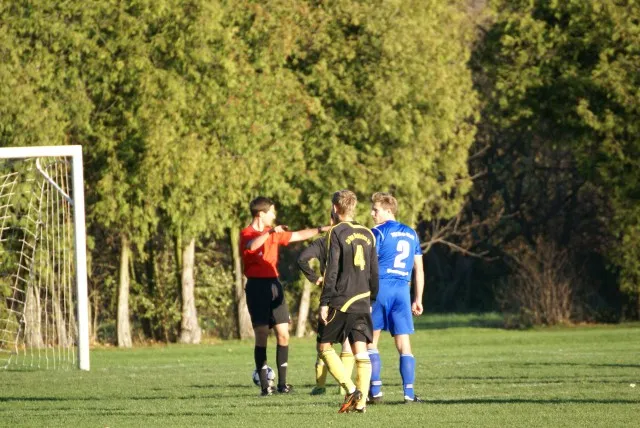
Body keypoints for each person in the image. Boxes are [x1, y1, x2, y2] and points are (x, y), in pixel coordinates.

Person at [240, 196, 327, 396]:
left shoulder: (274, 232)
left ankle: (282, 384)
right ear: (260, 214)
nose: (274, 215)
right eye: (271, 211)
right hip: (256, 287)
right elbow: (252, 246)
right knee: (262, 335)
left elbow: (298, 235)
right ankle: (265, 387)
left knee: (284, 334)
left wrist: (321, 229)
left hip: (274, 285)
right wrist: (270, 232)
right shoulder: (247, 233)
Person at [317, 190, 379, 413]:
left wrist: (325, 301)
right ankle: (361, 405)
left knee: (324, 346)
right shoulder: (368, 233)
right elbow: (374, 271)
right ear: (353, 208)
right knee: (360, 350)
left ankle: (352, 390)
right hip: (363, 299)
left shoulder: (336, 232)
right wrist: (372, 297)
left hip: (342, 299)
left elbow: (331, 270)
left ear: (335, 208)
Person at [367, 192, 425, 404]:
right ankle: (409, 394)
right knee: (404, 344)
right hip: (402, 291)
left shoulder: (377, 232)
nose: (372, 213)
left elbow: (368, 265)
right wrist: (418, 298)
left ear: (388, 210)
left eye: (376, 210)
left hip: (380, 289)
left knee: (370, 341)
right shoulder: (411, 233)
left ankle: (375, 391)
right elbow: (419, 269)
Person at [297, 212, 354, 396]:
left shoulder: (323, 242)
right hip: (353, 294)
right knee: (347, 341)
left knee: (324, 343)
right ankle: (343, 388)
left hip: (330, 296)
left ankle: (321, 386)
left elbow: (302, 259)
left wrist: (315, 278)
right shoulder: (356, 240)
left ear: (331, 220)